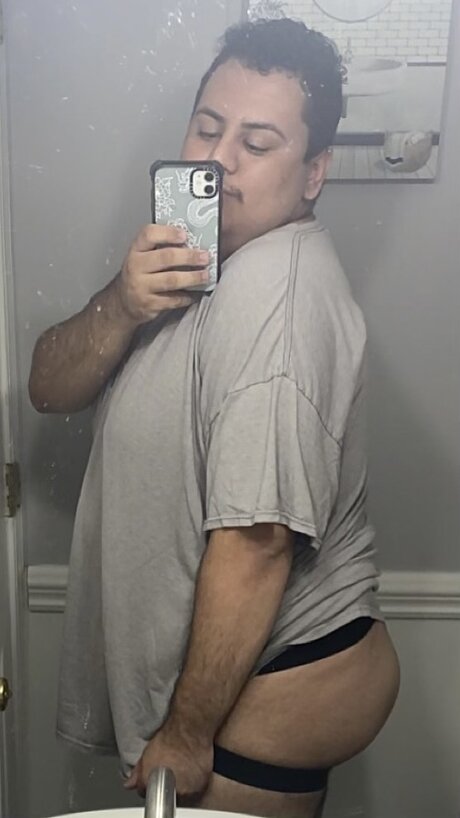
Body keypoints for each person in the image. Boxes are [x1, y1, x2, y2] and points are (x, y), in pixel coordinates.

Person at [29, 18, 400, 818]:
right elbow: (47, 387)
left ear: (314, 173)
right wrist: (123, 302)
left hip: (253, 703)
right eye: (208, 127)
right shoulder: (186, 263)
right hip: (239, 693)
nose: (219, 160)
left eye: (257, 143)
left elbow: (259, 540)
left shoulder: (278, 302)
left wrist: (189, 732)